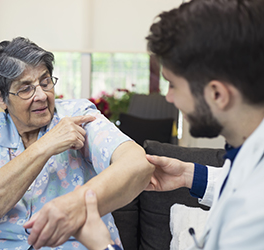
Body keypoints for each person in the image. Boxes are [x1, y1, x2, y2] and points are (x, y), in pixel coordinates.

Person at [74, 0, 264, 249]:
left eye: (172, 84)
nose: (168, 98)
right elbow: (236, 183)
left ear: (217, 94)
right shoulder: (248, 151)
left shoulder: (253, 210)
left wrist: (102, 246)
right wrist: (189, 175)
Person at [0, 37, 154, 250]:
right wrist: (46, 145)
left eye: (45, 82)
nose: (42, 96)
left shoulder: (78, 116)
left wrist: (75, 207)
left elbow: (137, 165)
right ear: (0, 97)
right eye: (26, 89)